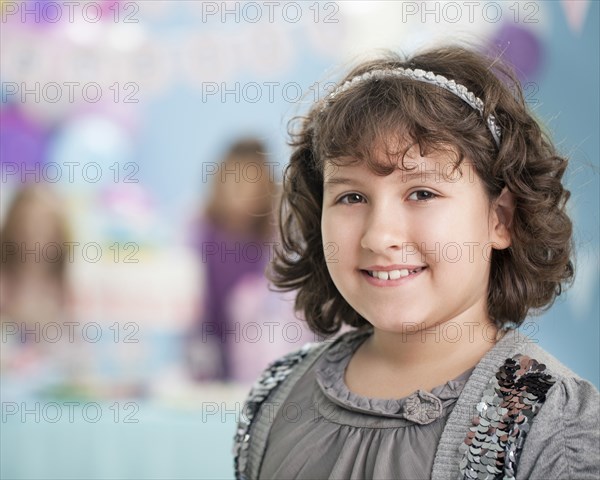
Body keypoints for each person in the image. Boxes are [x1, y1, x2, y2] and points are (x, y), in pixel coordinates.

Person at [232, 46, 600, 479]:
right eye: (351, 197)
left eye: (422, 193)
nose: (379, 236)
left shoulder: (554, 424)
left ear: (499, 218)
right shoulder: (277, 396)